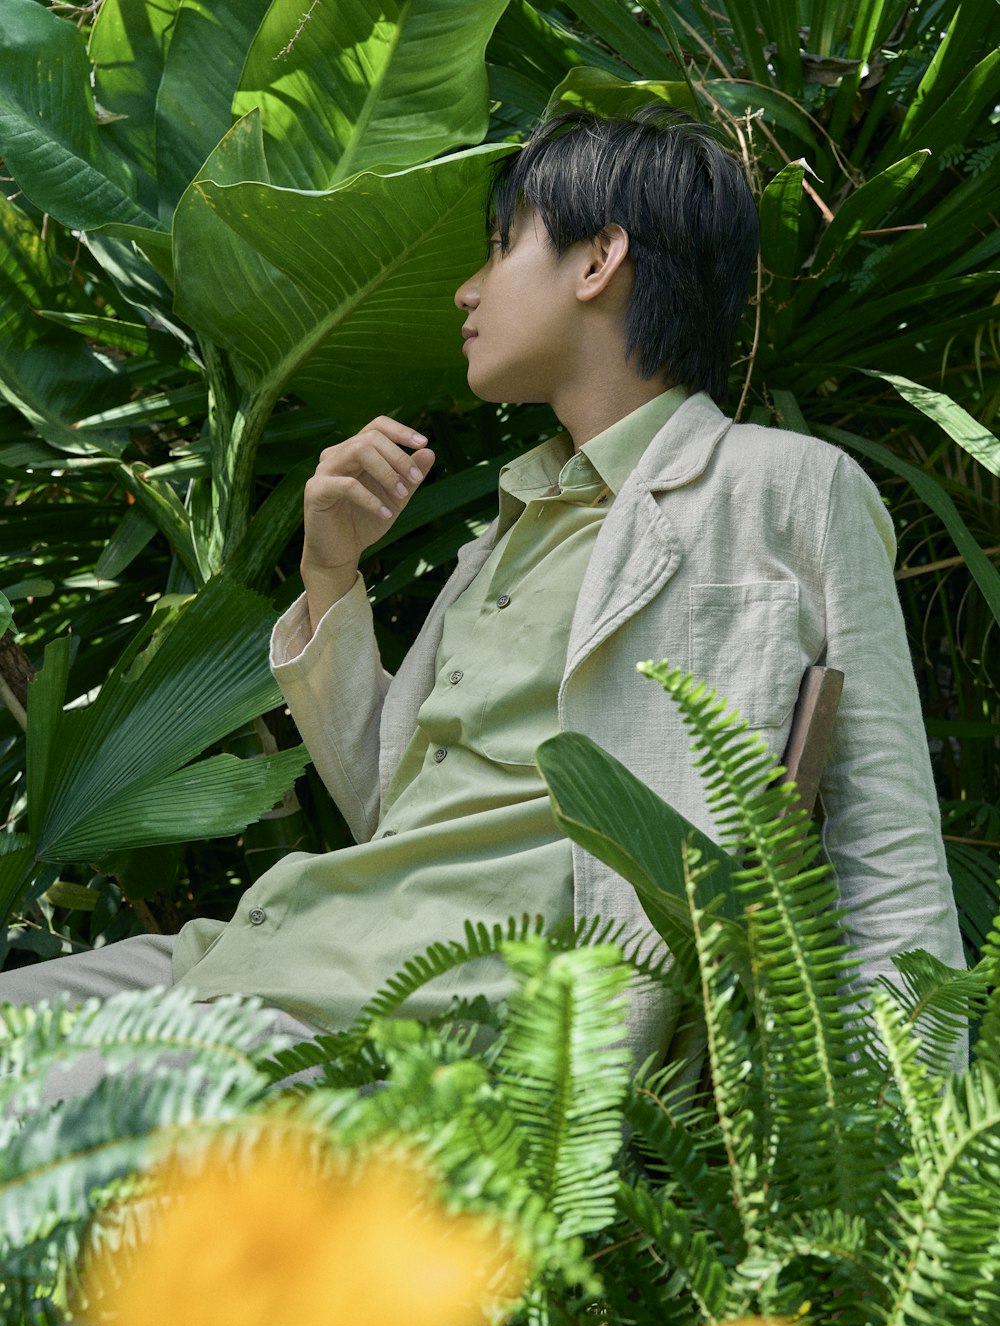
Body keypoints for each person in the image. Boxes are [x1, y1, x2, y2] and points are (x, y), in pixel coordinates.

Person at [0, 107, 963, 1088]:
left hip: (422, 1032)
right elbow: (396, 804)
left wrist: (913, 1164)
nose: (465, 290)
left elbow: (884, 841)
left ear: (598, 262)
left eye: (502, 248)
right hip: (254, 960)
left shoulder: (778, 488)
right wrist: (330, 572)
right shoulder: (506, 527)